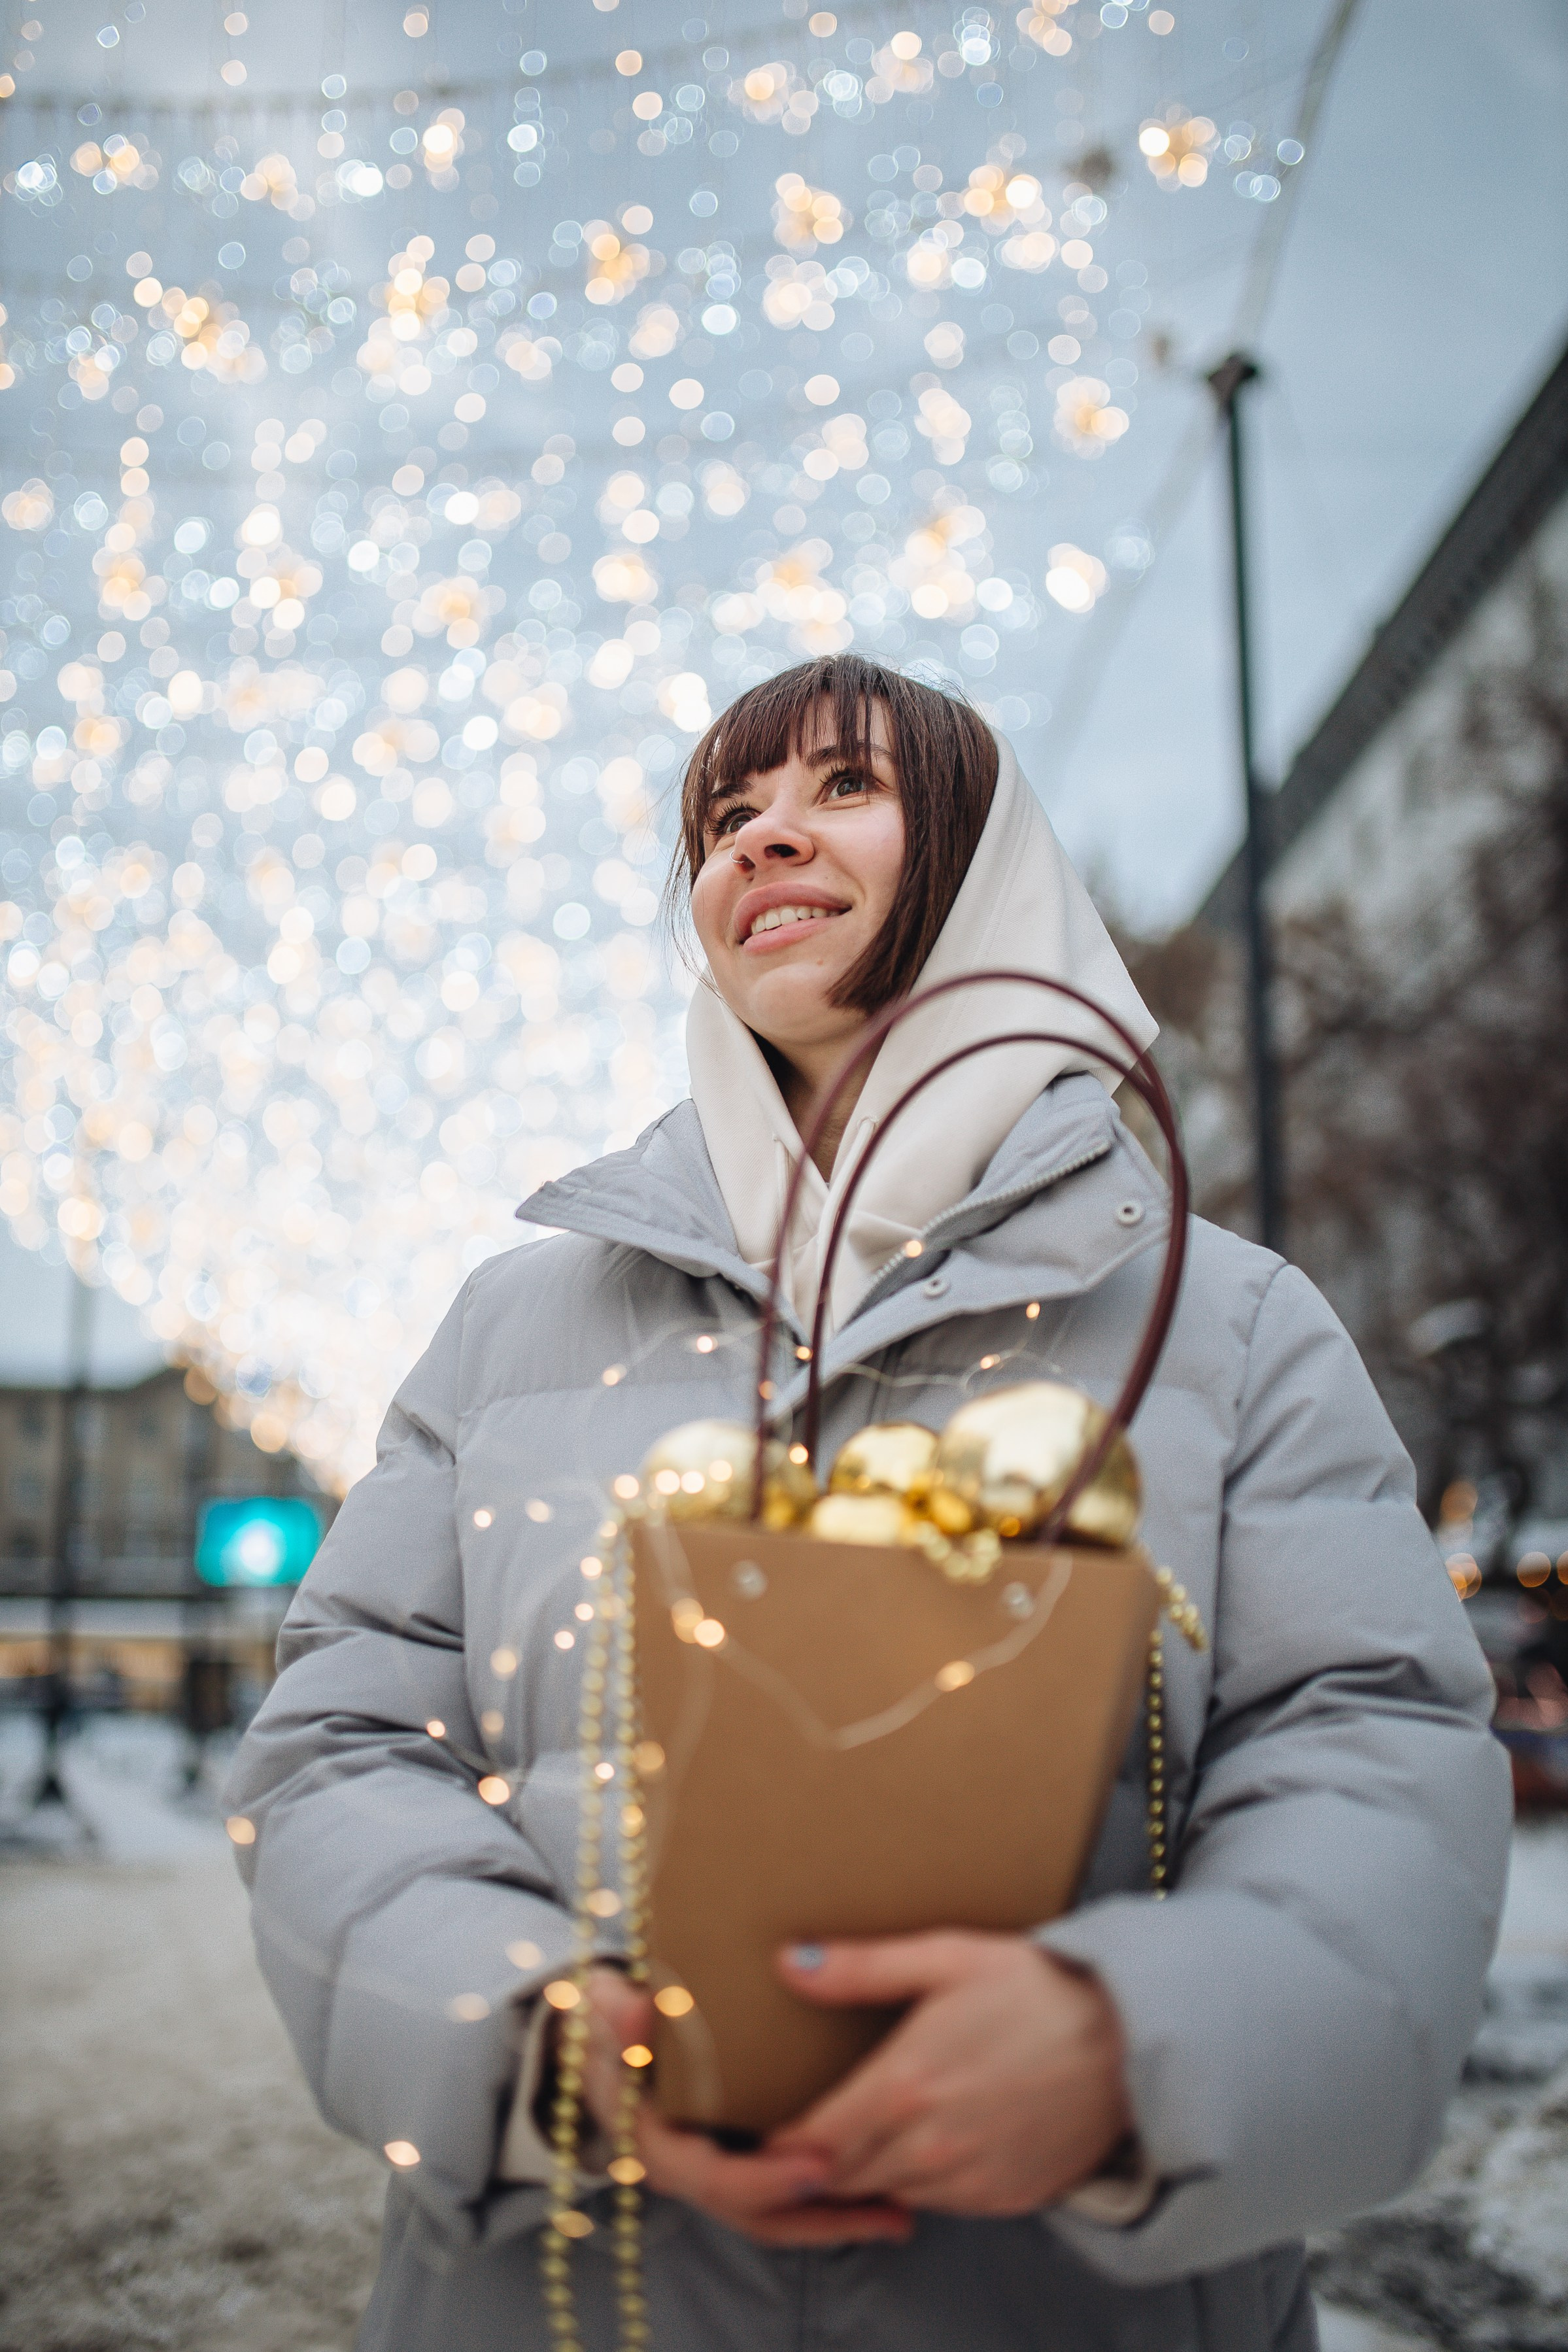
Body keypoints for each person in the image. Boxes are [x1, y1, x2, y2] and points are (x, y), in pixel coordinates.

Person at [226, 655, 1511, 2352]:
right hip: (579, 2298)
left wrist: (1135, 2045)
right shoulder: (513, 1327)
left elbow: (1370, 1750)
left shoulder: (1232, 1323)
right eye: (724, 817)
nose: (762, 840)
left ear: (985, 862)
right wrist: (530, 2033)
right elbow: (342, 1745)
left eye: (845, 787)